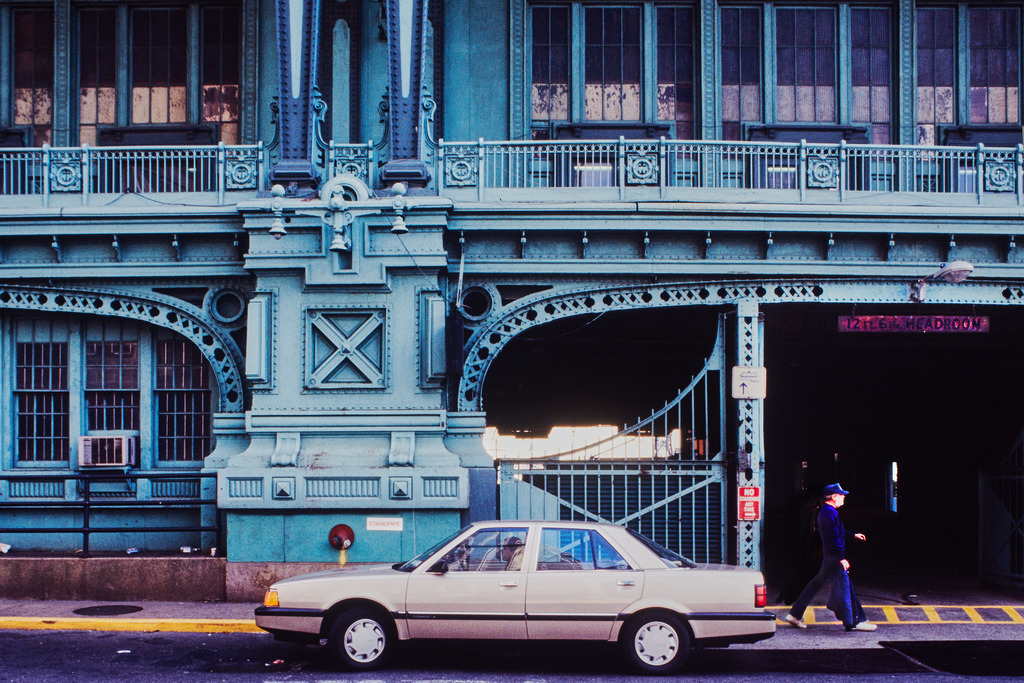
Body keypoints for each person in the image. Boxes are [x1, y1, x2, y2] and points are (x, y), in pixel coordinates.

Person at [785, 483, 877, 632]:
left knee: (815, 585)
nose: (844, 499)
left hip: (829, 557)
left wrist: (852, 535)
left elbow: (836, 532)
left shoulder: (828, 512)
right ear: (834, 497)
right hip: (834, 558)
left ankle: (794, 614)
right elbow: (832, 538)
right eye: (842, 496)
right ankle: (855, 621)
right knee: (847, 589)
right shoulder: (829, 513)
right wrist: (841, 558)